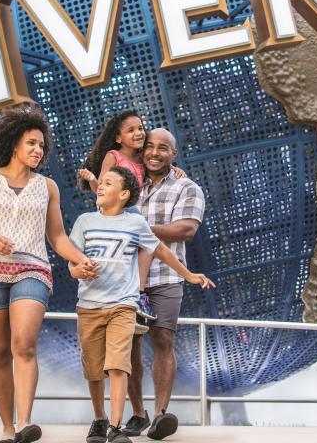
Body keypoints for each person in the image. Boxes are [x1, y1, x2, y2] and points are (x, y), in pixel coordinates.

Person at [0, 104, 97, 443]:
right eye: (31, 144)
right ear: (14, 144)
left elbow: (57, 237)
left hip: (33, 268)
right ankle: (7, 429)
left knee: (23, 343)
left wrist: (81, 259)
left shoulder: (48, 187)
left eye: (41, 145)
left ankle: (24, 423)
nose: (38, 150)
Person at [69, 166, 214, 443]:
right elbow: (71, 260)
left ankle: (114, 427)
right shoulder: (84, 222)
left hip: (123, 305)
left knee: (118, 365)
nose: (100, 187)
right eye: (101, 183)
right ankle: (99, 419)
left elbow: (161, 251)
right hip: (89, 306)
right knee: (94, 369)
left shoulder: (135, 224)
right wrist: (77, 271)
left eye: (108, 183)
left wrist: (189, 275)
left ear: (124, 194)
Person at [123, 129, 206, 440]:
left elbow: (185, 229)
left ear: (175, 154)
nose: (154, 153)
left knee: (162, 341)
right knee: (128, 347)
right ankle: (137, 414)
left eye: (163, 148)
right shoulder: (129, 185)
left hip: (167, 276)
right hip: (127, 278)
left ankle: (159, 415)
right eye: (149, 147)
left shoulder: (188, 188)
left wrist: (138, 228)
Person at [77, 111, 185, 330]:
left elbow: (159, 166)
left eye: (140, 128)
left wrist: (173, 169)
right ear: (118, 138)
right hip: (118, 210)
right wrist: (92, 181)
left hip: (132, 211)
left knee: (146, 245)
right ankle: (127, 296)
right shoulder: (114, 156)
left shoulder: (142, 159)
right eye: (131, 130)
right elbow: (103, 188)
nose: (138, 133)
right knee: (145, 241)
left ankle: (137, 294)